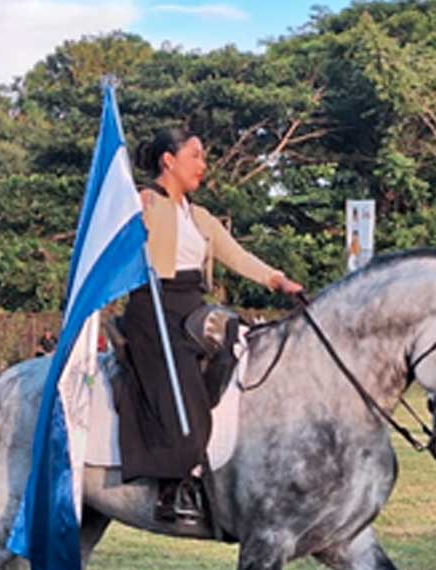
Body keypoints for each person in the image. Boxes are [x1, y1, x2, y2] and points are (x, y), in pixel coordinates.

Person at [118, 127, 303, 522]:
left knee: (239, 346)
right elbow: (109, 244)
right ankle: (171, 486)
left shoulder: (199, 216)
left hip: (193, 305)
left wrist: (278, 281)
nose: (204, 165)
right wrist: (131, 213)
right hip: (154, 309)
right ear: (168, 160)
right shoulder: (143, 202)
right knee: (180, 390)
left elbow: (237, 255)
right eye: (196, 156)